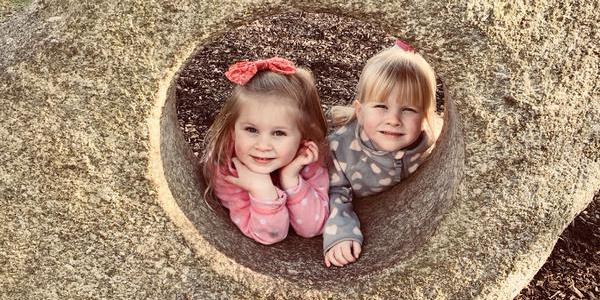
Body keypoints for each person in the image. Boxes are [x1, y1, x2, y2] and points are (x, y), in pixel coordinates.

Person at [323, 40, 443, 267]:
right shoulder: (340, 150)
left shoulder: (432, 143)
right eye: (381, 107)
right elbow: (333, 192)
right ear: (360, 111)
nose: (393, 120)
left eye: (408, 109)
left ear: (425, 115)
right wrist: (340, 232)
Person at [201, 57, 330, 245]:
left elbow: (313, 228)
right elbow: (270, 235)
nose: (263, 145)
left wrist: (291, 180)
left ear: (303, 136)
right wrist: (262, 190)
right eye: (251, 130)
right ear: (233, 131)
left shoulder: (307, 158)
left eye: (278, 133)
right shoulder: (228, 169)